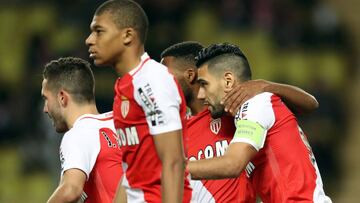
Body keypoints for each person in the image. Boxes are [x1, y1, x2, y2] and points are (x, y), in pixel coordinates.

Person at [160, 41, 321, 202]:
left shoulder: (257, 104)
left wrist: (174, 167)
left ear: (228, 81)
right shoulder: (246, 113)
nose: (201, 94)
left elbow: (233, 164)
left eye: (204, 84)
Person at [85, 1, 192, 202]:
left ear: (127, 35)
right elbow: (130, 168)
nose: (89, 40)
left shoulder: (152, 80)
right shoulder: (124, 88)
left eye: (99, 31)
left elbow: (174, 161)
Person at [41, 57, 122, 203]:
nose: (45, 109)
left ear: (62, 97)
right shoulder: (121, 122)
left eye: (46, 99)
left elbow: (71, 190)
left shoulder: (78, 134)